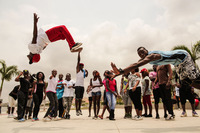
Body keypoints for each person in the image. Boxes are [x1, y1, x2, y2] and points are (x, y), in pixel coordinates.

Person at [110, 47, 200, 90]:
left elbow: (136, 65)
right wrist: (120, 72)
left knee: (193, 77)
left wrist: (120, 71)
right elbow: (134, 64)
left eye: (142, 52)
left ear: (146, 51)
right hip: (177, 63)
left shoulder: (152, 56)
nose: (141, 54)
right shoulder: (145, 58)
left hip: (183, 57)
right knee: (185, 81)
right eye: (139, 54)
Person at [75, 50, 88, 116]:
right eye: (80, 66)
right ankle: (77, 110)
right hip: (77, 86)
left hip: (82, 86)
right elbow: (78, 61)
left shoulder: (83, 72)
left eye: (82, 66)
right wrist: (79, 53)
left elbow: (85, 76)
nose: (81, 67)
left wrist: (87, 72)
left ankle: (79, 109)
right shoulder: (78, 70)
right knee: (77, 98)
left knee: (80, 99)